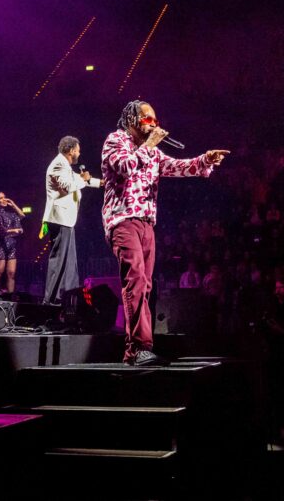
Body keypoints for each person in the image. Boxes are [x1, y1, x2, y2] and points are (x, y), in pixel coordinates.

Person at [101, 100, 229, 366]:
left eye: (156, 121)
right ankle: (137, 349)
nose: (154, 124)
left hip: (147, 223)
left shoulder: (154, 154)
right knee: (135, 279)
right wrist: (149, 145)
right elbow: (125, 167)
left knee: (145, 285)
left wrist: (205, 159)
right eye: (148, 119)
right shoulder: (115, 141)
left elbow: (179, 167)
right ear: (133, 120)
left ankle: (140, 348)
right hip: (123, 220)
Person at [41, 136, 101, 305]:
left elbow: (79, 179)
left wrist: (101, 183)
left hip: (66, 220)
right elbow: (68, 186)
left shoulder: (65, 166)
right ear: (71, 150)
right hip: (60, 219)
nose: (79, 153)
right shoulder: (58, 164)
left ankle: (65, 298)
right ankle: (51, 300)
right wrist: (83, 179)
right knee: (59, 261)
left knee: (68, 262)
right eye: (78, 150)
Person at [0, 191, 25, 292]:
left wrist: (13, 204)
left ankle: (10, 297)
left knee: (11, 274)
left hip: (11, 246)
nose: (4, 200)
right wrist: (13, 230)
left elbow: (22, 215)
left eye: (5, 197)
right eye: (1, 198)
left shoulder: (10, 214)